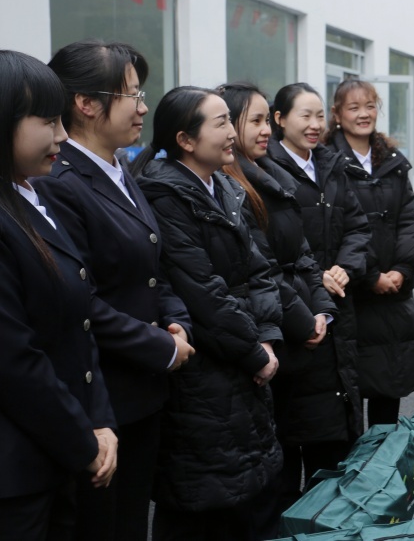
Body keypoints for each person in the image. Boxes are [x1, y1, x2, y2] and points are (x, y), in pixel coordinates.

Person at [32, 40, 194, 541]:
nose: (143, 107)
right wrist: (160, 346)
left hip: (143, 388)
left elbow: (153, 266)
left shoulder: (120, 167)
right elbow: (79, 297)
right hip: (102, 395)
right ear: (86, 103)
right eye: (132, 95)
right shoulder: (58, 180)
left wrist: (177, 323)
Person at [0, 49, 117, 540]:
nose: (62, 136)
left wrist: (99, 422)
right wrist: (84, 440)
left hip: (50, 457)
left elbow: (78, 321)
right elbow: (11, 359)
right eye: (48, 121)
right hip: (5, 480)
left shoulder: (27, 197)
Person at [132, 87, 283, 541]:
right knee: (202, 500)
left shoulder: (225, 186)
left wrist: (267, 335)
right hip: (205, 366)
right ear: (185, 140)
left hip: (243, 351)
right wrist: (254, 352)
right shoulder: (164, 195)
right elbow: (202, 292)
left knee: (247, 489)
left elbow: (260, 268)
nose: (232, 132)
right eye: (221, 123)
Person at [216, 82, 341, 528]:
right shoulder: (230, 185)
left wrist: (322, 310)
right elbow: (263, 268)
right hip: (274, 335)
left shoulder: (269, 173)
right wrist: (305, 322)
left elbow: (303, 254)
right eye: (254, 120)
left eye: (264, 119)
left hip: (300, 323)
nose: (264, 129)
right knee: (278, 467)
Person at [263, 82, 368, 486]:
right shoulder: (266, 169)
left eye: (320, 116)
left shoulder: (331, 164)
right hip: (298, 309)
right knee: (293, 426)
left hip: (338, 302)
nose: (314, 124)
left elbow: (357, 226)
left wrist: (345, 267)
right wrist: (315, 276)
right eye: (304, 115)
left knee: (335, 427)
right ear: (279, 119)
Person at [324, 79, 414, 427]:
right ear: (337, 113)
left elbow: (410, 220)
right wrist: (369, 276)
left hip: (393, 296)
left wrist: (402, 269)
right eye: (353, 107)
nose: (363, 114)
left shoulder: (392, 162)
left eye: (370, 106)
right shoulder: (327, 162)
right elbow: (335, 229)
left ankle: (383, 459)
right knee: (349, 394)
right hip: (352, 295)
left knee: (389, 390)